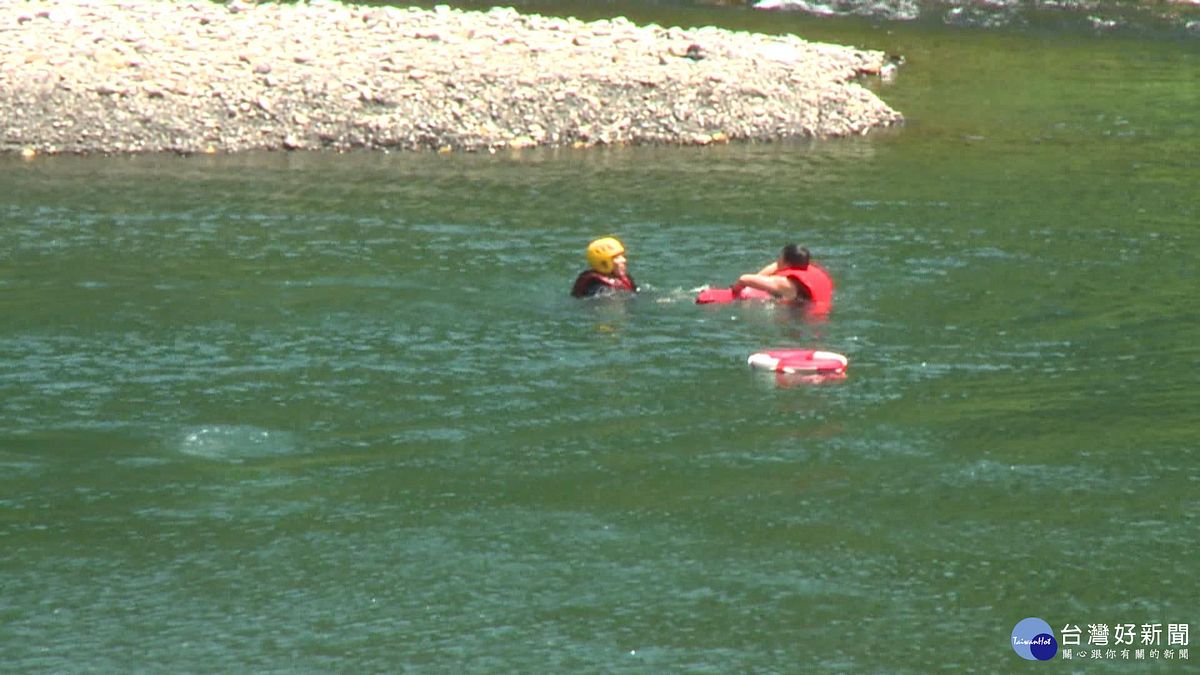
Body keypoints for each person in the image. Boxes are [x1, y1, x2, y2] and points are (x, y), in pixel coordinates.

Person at [731, 243, 833, 308]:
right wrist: (758, 277)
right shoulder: (809, 270)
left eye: (779, 257)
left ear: (786, 263)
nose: (777, 260)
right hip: (815, 315)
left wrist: (734, 290)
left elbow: (744, 279)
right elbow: (776, 266)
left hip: (797, 317)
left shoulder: (784, 283)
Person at [571, 236, 638, 298]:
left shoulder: (623, 278)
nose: (624, 260)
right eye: (616, 257)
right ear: (604, 263)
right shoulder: (598, 289)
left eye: (622, 256)